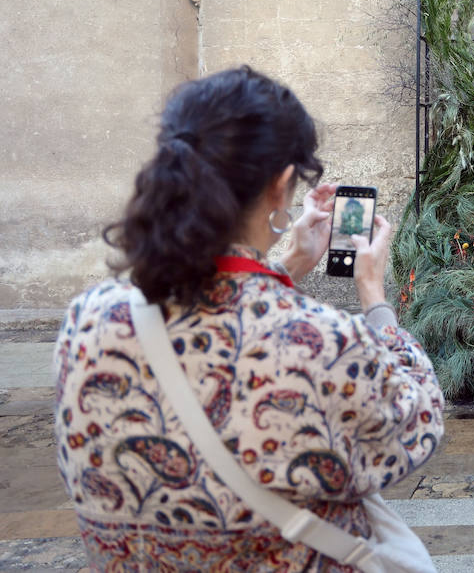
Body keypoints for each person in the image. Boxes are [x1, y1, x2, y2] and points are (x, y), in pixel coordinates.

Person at [53, 66, 445, 571]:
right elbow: (417, 423)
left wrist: (292, 263)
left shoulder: (88, 320)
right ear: (281, 186)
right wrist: (373, 292)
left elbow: (227, 305)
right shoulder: (320, 341)